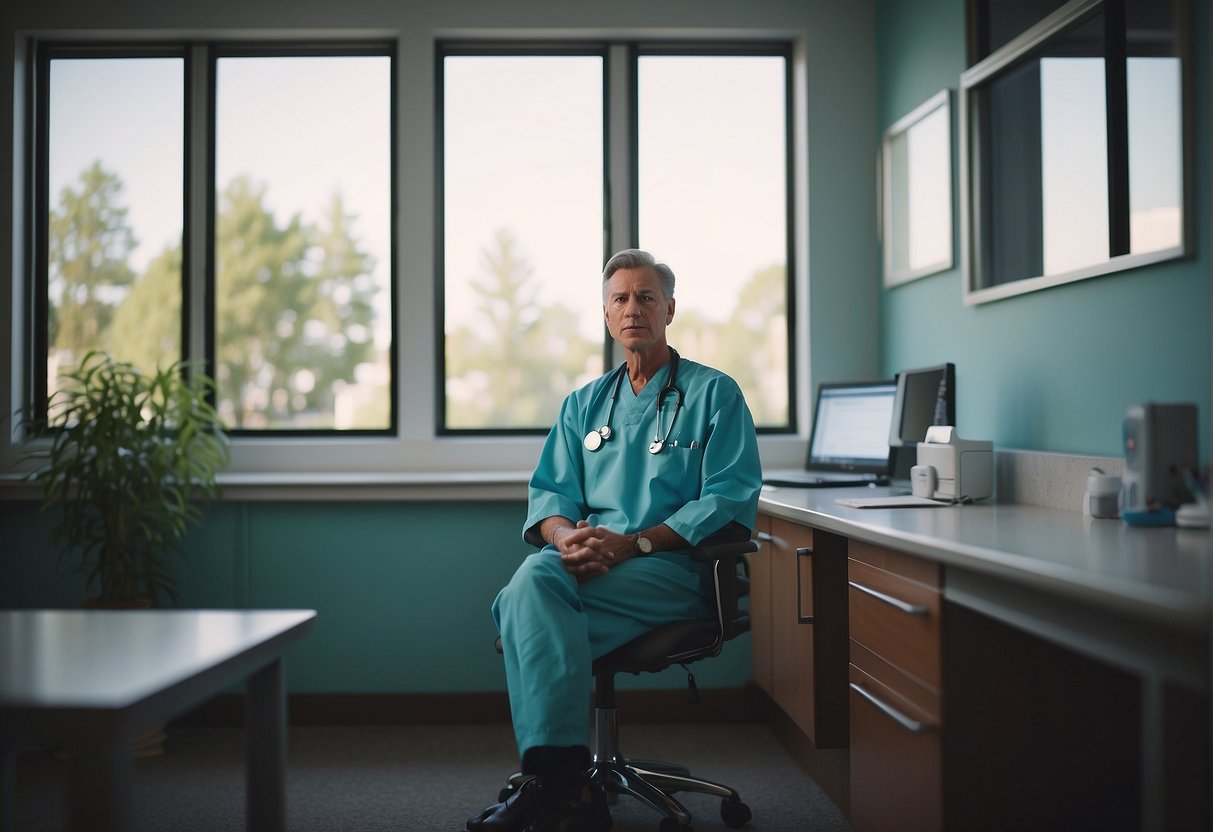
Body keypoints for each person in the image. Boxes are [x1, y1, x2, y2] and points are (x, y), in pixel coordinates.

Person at [466, 249, 763, 832]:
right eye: (621, 299)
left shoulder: (715, 395)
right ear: (606, 315)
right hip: (590, 566)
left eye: (647, 297)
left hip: (672, 570)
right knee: (537, 578)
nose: (634, 309)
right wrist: (569, 538)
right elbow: (549, 500)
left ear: (669, 309)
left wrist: (635, 544)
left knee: (522, 606)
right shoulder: (583, 405)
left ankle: (549, 785)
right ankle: (566, 783)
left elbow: (727, 499)